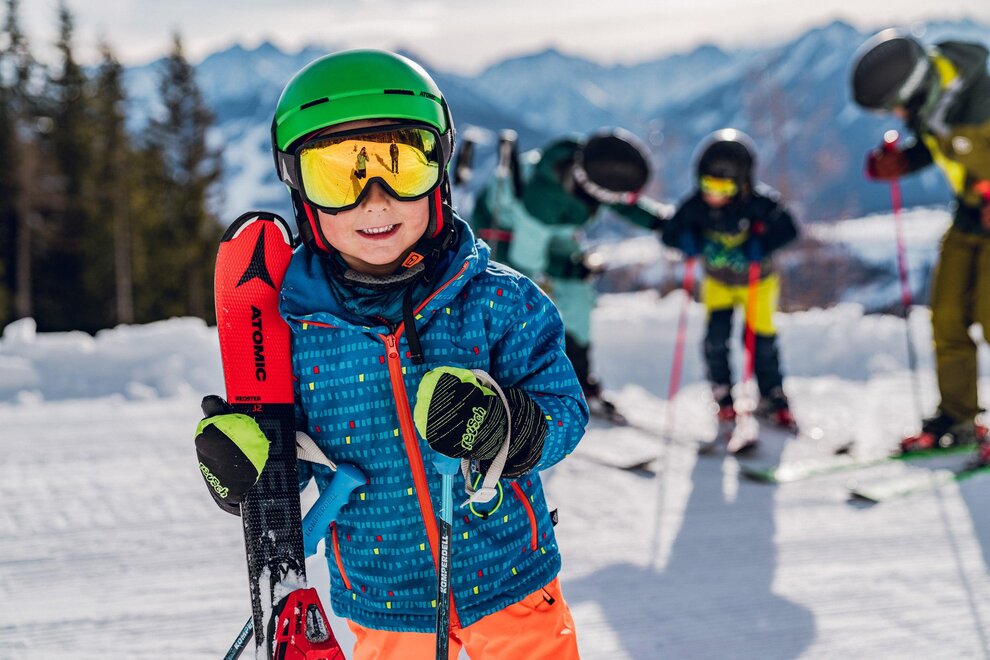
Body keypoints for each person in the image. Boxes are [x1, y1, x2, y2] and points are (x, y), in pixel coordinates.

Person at [194, 50, 588, 659]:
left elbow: (564, 410)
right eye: (338, 175)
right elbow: (288, 477)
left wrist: (501, 427)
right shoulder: (295, 335)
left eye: (400, 166)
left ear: (440, 169)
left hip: (512, 581)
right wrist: (244, 474)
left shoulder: (500, 301)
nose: (375, 201)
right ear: (301, 192)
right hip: (385, 601)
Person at [850, 28, 990, 459]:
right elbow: (939, 144)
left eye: (896, 106)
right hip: (970, 216)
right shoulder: (935, 99)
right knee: (946, 315)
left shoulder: (982, 98)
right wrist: (903, 162)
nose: (896, 115)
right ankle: (958, 417)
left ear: (916, 88)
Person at [470, 128, 668, 424]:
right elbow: (530, 262)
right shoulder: (543, 197)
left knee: (578, 297)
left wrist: (659, 222)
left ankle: (579, 380)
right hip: (510, 235)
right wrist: (571, 269)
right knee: (520, 301)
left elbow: (616, 199)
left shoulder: (589, 167)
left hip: (553, 229)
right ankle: (512, 382)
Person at [662, 129, 799, 433]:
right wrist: (686, 241)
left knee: (761, 340)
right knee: (716, 338)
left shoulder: (759, 203)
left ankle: (772, 394)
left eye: (723, 187)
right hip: (718, 285)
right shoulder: (695, 206)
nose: (713, 195)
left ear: (742, 184)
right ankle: (722, 391)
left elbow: (790, 229)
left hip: (758, 284)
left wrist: (762, 245)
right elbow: (669, 232)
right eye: (707, 185)